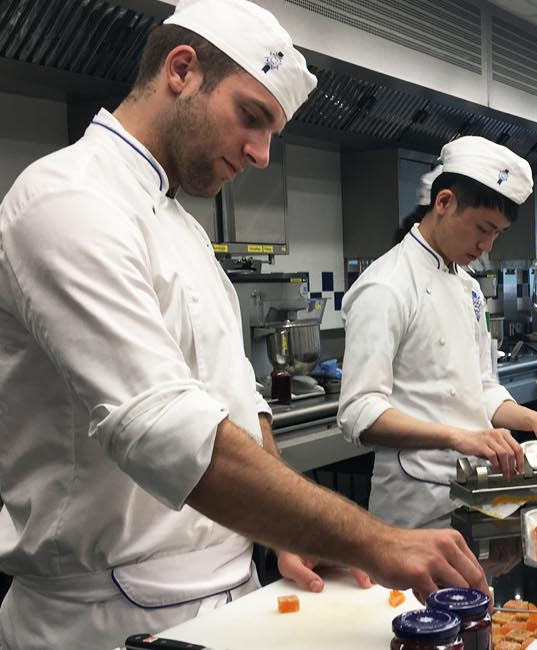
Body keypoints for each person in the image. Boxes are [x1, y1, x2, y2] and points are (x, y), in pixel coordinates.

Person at [0, 1, 485, 646]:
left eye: (272, 133)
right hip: (107, 618)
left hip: (237, 600)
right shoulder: (66, 201)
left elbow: (239, 399)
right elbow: (163, 428)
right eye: (251, 117)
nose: (259, 154)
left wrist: (288, 531)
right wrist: (372, 538)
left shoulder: (186, 232)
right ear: (181, 70)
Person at [339, 136, 537, 529]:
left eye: (498, 233)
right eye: (483, 227)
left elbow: (484, 388)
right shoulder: (386, 287)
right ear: (443, 203)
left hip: (475, 492)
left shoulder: (469, 287)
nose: (487, 244)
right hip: (414, 508)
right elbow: (359, 413)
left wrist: (536, 422)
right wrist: (460, 437)